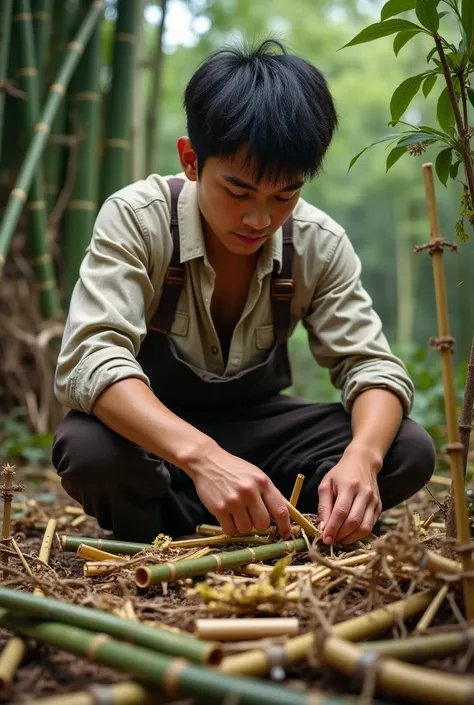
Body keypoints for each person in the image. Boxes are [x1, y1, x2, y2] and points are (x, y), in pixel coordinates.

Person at [52, 39, 435, 545]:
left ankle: (269, 519)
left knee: (406, 446)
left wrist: (361, 460)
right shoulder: (137, 219)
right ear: (191, 161)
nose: (260, 219)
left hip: (262, 438)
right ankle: (191, 532)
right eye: (238, 192)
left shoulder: (318, 242)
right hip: (159, 441)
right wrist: (204, 457)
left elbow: (372, 368)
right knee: (88, 449)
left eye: (284, 195)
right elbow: (92, 360)